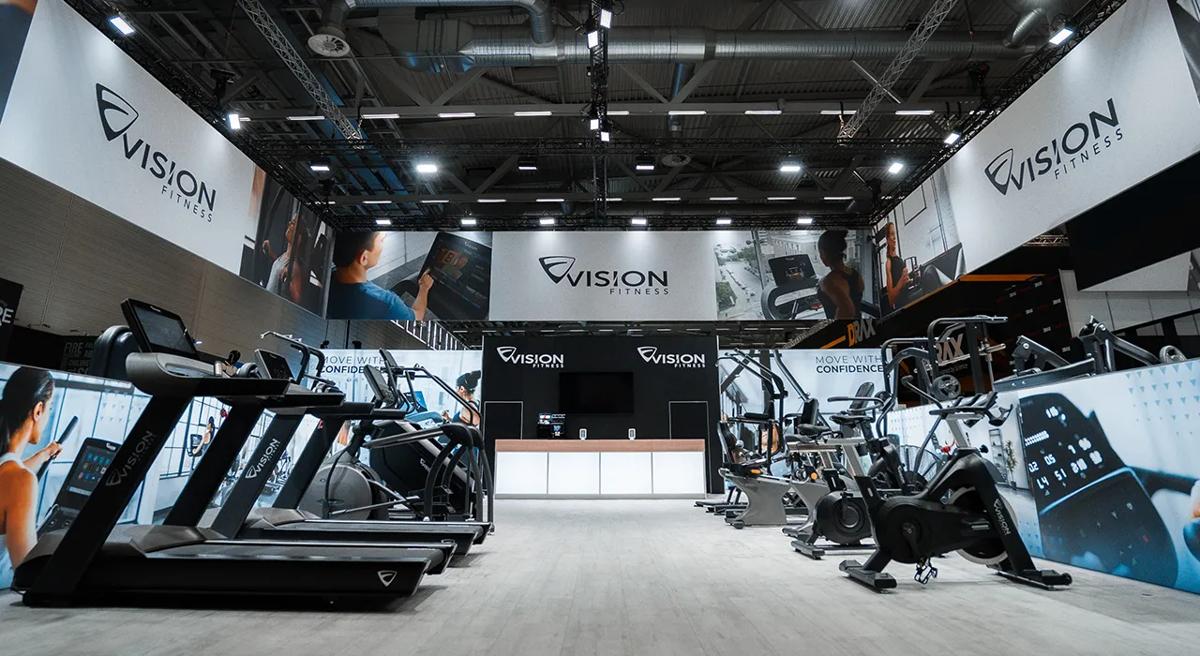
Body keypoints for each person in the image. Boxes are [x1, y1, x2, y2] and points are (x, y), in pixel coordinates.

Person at [0, 367, 60, 586]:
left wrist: (44, 455)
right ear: (38, 410)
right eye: (50, 408)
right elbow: (27, 574)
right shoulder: (21, 480)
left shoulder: (10, 473)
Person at [327, 232, 435, 320]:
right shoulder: (386, 303)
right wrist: (424, 288)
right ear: (364, 258)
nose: (383, 245)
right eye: (381, 240)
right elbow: (417, 316)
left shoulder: (327, 280)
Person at [815, 230, 865, 320]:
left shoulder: (828, 282)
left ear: (824, 253)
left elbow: (848, 310)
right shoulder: (855, 275)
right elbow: (857, 302)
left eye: (820, 253)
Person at [264, 213, 299, 296]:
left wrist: (289, 282)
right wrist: (270, 252)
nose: (290, 224)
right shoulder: (285, 255)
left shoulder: (294, 266)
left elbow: (297, 298)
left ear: (299, 237)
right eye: (291, 222)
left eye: (293, 223)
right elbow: (280, 269)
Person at [882, 222, 911, 309]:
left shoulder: (900, 259)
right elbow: (891, 299)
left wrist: (908, 280)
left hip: (909, 299)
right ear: (887, 239)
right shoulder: (889, 263)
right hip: (902, 306)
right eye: (891, 234)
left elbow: (905, 283)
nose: (894, 237)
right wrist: (902, 280)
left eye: (895, 234)